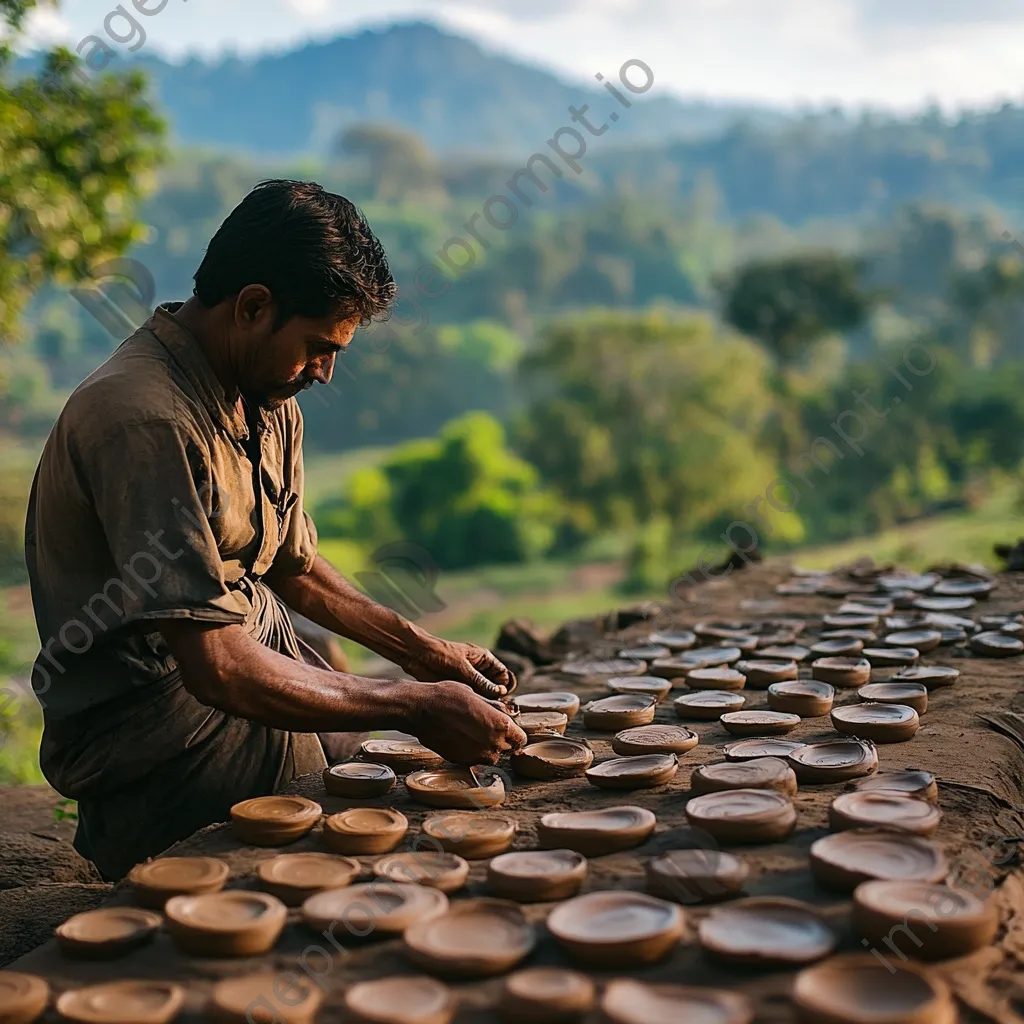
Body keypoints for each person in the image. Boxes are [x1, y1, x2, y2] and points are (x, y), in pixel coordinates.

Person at [24, 180, 527, 880]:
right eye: (319, 346)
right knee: (364, 867)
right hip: (169, 740)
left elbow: (293, 565)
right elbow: (219, 667)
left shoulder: (261, 386)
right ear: (254, 306)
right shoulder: (145, 420)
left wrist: (424, 653)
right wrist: (413, 704)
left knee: (401, 806)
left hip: (253, 681)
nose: (323, 372)